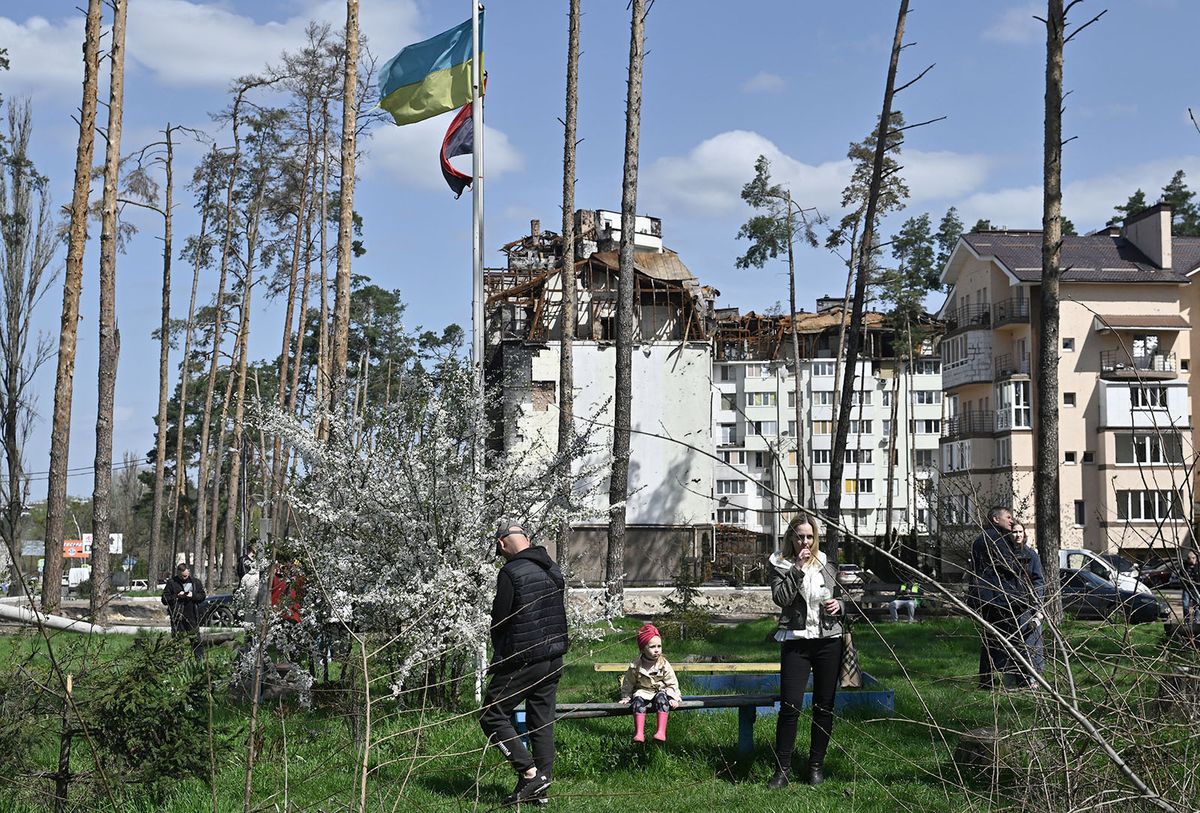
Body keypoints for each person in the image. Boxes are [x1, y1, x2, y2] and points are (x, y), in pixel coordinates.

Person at [479, 521, 569, 806]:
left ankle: (529, 773)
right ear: (527, 539)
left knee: (491, 714)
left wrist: (501, 655)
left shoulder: (510, 571)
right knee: (541, 722)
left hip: (523, 658)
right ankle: (540, 790)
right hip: (553, 657)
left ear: (502, 543)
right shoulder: (551, 568)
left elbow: (501, 619)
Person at [766, 516, 845, 788]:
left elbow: (842, 596)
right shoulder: (780, 564)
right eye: (800, 537)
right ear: (791, 538)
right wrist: (797, 568)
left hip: (827, 641)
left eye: (810, 537)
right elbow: (781, 599)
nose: (805, 542)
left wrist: (840, 606)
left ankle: (815, 767)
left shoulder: (826, 562)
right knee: (790, 706)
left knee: (824, 707)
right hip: (795, 640)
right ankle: (783, 770)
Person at [972, 507, 1044, 690]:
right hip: (1003, 600)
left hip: (988, 599)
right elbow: (1009, 567)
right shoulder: (997, 540)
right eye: (1008, 518)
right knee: (1014, 642)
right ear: (996, 519)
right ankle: (1018, 680)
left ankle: (987, 681)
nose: (1011, 521)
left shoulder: (980, 540)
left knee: (990, 641)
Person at [619, 623, 682, 743]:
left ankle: (661, 732)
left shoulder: (663, 664)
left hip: (660, 691)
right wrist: (626, 697)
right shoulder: (636, 665)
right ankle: (639, 733)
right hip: (643, 692)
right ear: (643, 649)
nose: (657, 650)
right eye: (652, 647)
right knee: (637, 703)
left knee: (662, 700)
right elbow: (628, 682)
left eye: (659, 646)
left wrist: (673, 697)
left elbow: (672, 682)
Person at [162, 562, 207, 659]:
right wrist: (177, 596)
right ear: (178, 573)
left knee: (196, 639)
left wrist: (193, 595)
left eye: (186, 576)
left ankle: (200, 661)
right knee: (177, 641)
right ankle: (178, 661)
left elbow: (202, 596)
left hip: (192, 615)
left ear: (189, 572)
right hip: (177, 615)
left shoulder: (196, 582)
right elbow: (164, 599)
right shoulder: (171, 583)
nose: (184, 578)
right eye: (182, 576)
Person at [1181, 549, 1200, 625]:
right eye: (1188, 558)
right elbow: (1181, 577)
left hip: (1196, 588)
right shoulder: (1184, 566)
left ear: (1195, 558)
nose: (1190, 560)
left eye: (1192, 558)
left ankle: (1196, 621)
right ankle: (1187, 620)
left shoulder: (1198, 566)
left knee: (1197, 605)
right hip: (1187, 588)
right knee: (1185, 604)